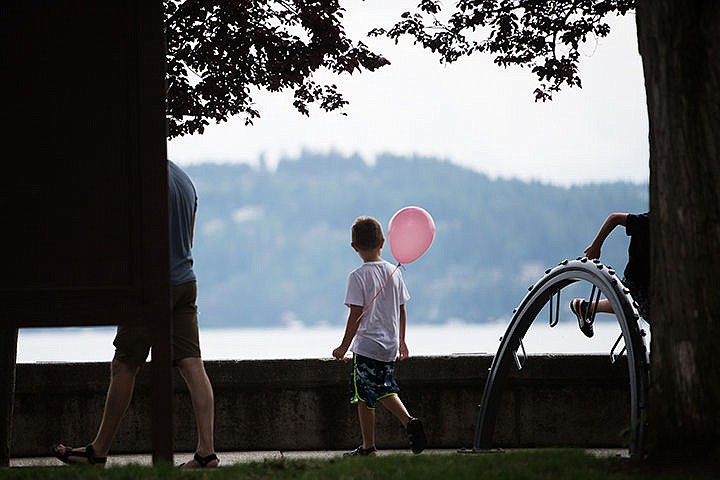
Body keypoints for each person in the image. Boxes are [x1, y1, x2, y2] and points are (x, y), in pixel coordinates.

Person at [52, 161, 219, 468]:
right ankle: (206, 452)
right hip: (185, 282)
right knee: (193, 364)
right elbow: (189, 239)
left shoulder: (141, 181)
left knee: (124, 365)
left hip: (150, 287)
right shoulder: (184, 180)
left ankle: (98, 451)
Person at [332, 216, 427, 456]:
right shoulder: (394, 272)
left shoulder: (357, 276)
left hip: (367, 346)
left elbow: (356, 315)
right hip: (389, 345)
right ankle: (369, 446)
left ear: (354, 247)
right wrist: (402, 341)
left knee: (367, 395)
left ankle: (404, 424)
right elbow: (402, 310)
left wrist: (343, 347)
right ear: (383, 241)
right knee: (378, 389)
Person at [570, 212, 650, 337]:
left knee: (629, 303)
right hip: (639, 280)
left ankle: (586, 307)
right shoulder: (648, 222)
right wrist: (596, 246)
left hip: (646, 282)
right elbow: (614, 218)